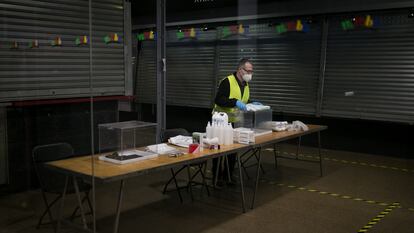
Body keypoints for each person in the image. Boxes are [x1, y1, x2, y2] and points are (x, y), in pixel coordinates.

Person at [212, 58, 260, 186]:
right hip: (221, 122)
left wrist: (251, 103)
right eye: (248, 71)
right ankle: (216, 178)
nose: (250, 73)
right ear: (240, 70)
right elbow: (219, 99)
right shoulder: (227, 81)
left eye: (252, 71)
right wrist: (235, 102)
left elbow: (241, 100)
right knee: (219, 151)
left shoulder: (245, 84)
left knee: (232, 150)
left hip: (235, 121)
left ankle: (228, 175)